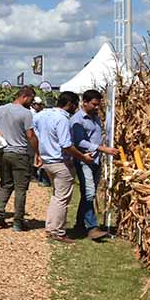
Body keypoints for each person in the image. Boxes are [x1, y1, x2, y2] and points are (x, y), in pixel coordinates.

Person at [34, 91, 94, 243]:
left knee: (56, 196)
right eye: (75, 105)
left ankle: (51, 227)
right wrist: (83, 157)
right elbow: (66, 145)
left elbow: (34, 131)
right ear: (70, 104)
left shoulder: (43, 115)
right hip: (60, 162)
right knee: (62, 199)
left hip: (47, 161)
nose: (76, 108)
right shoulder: (62, 119)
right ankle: (58, 231)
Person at [0, 86, 40, 231]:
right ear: (26, 96)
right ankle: (18, 221)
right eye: (31, 99)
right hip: (20, 153)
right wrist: (37, 152)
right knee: (21, 189)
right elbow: (30, 135)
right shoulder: (26, 113)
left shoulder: (2, 109)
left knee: (6, 185)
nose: (32, 102)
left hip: (4, 152)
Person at [70, 89, 118, 240]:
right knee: (90, 193)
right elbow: (79, 141)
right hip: (84, 160)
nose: (97, 107)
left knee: (87, 194)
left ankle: (79, 225)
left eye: (99, 104)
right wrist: (102, 149)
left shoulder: (96, 117)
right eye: (94, 104)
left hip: (96, 160)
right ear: (84, 102)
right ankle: (92, 227)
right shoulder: (77, 120)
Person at [30, 97, 51, 187]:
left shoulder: (38, 114)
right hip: (35, 138)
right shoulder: (32, 114)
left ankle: (38, 176)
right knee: (37, 157)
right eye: (38, 105)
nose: (39, 106)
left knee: (38, 157)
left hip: (39, 138)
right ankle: (37, 176)